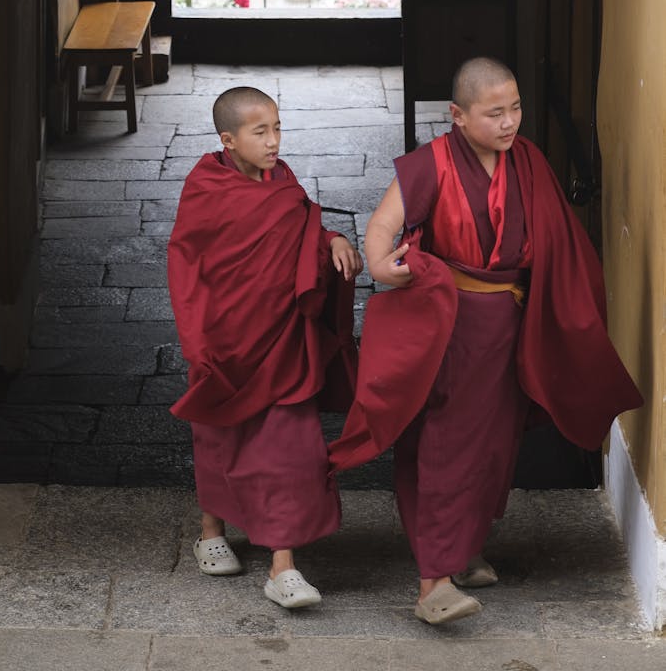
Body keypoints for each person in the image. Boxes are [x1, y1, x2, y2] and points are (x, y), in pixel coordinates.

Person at [329, 56, 642, 626]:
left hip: (512, 325)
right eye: (494, 113)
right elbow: (382, 226)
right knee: (448, 446)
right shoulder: (432, 163)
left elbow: (559, 244)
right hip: (449, 327)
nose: (509, 122)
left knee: (493, 448)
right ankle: (433, 583)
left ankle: (463, 549)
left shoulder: (529, 161)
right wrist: (379, 263)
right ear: (458, 115)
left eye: (515, 108)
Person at [167, 85, 362, 609]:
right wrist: (198, 340)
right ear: (228, 140)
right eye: (261, 132)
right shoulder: (206, 188)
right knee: (219, 434)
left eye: (277, 128)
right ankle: (211, 532)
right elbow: (186, 264)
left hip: (282, 339)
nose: (274, 141)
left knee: (290, 448)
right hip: (225, 337)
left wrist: (332, 239)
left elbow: (303, 227)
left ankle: (283, 565)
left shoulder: (283, 182)